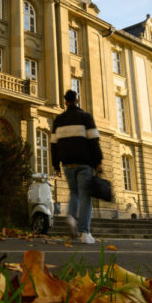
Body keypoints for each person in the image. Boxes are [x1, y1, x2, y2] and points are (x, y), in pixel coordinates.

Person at [50, 89, 103, 244]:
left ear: (65, 102)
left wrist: (56, 166)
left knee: (74, 193)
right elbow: (94, 141)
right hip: (85, 163)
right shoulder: (86, 117)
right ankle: (84, 232)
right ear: (77, 100)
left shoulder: (58, 120)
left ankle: (71, 217)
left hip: (67, 164)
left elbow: (53, 145)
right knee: (85, 196)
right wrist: (98, 161)